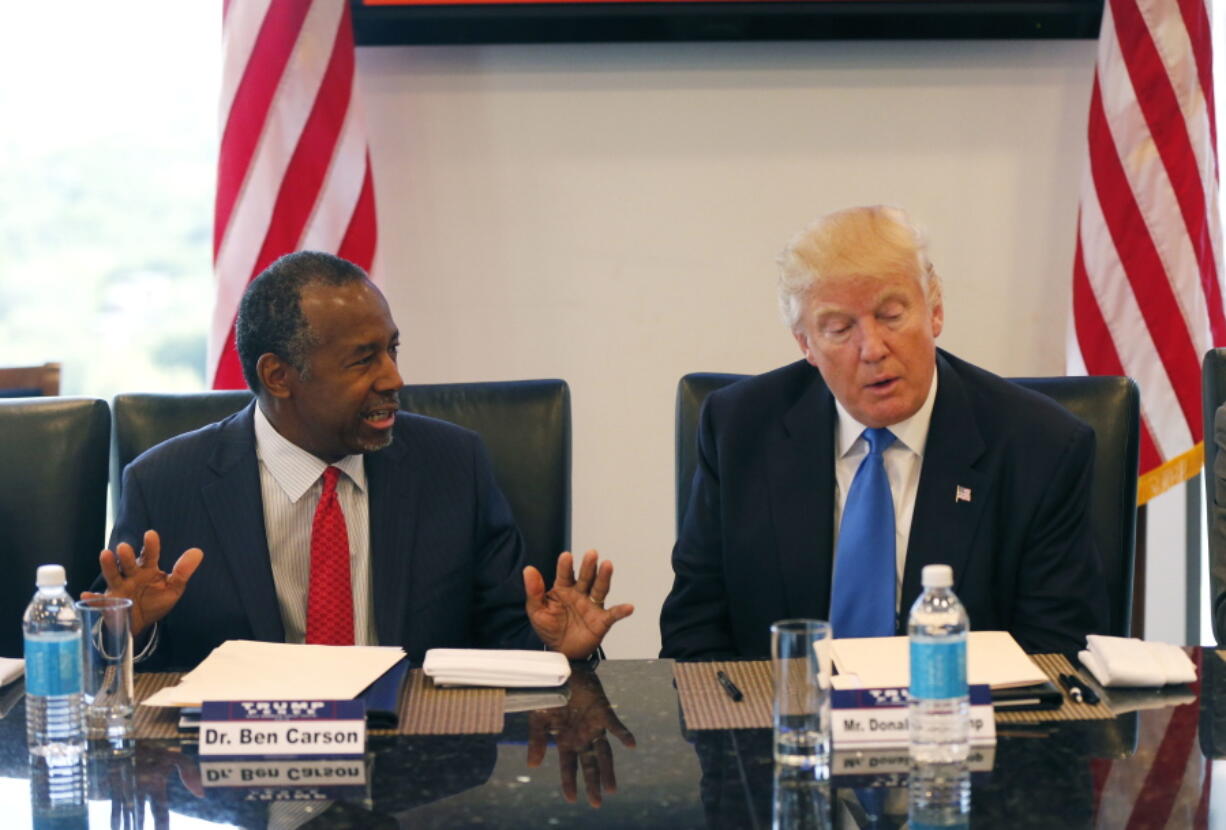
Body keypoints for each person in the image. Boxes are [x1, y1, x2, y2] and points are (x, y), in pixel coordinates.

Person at [90, 251, 632, 669]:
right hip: (245, 775)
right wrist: (124, 634)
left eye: (391, 350)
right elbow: (113, 673)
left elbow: (509, 638)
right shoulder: (166, 484)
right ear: (279, 376)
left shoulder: (452, 465)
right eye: (362, 360)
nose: (393, 379)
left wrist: (560, 650)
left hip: (418, 765)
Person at [660, 205, 1108, 658]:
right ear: (806, 344)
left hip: (958, 720)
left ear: (934, 311)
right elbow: (693, 633)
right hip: (782, 720)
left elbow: (1057, 652)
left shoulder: (1041, 445)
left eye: (892, 316)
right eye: (839, 328)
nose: (873, 349)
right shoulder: (739, 430)